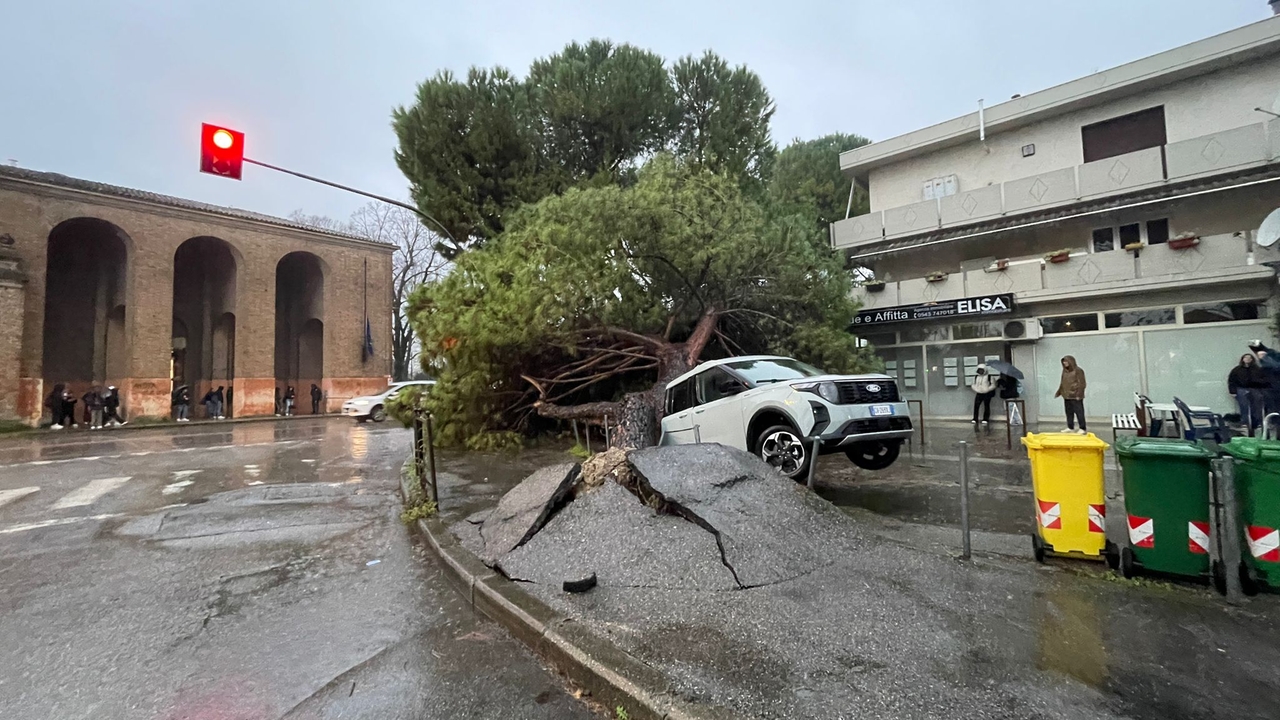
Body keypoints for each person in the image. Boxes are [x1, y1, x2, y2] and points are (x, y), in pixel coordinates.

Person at [1228, 354, 1266, 435]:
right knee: (1244, 406)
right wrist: (1232, 391)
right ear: (1242, 359)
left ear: (1252, 359)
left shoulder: (1258, 369)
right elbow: (1231, 381)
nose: (1247, 359)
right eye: (1245, 357)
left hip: (1255, 389)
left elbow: (1265, 380)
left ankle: (1257, 424)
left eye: (1249, 358)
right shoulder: (1237, 370)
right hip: (1241, 389)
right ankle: (1244, 423)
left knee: (1256, 407)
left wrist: (1262, 390)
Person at [1054, 355, 1088, 434]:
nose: (1064, 363)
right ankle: (1070, 427)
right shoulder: (1064, 371)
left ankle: (1082, 428)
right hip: (1066, 395)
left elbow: (1082, 383)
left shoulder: (1078, 371)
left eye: (1066, 361)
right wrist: (1059, 391)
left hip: (1075, 396)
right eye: (1063, 362)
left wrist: (1079, 394)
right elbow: (1062, 382)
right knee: (1069, 412)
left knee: (1079, 412)